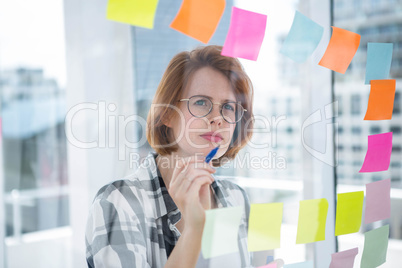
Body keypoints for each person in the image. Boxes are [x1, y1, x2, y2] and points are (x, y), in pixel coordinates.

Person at [85, 45, 254, 268]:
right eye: (201, 102)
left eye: (229, 107)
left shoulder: (237, 198)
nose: (218, 118)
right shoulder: (118, 203)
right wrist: (194, 229)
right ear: (166, 114)